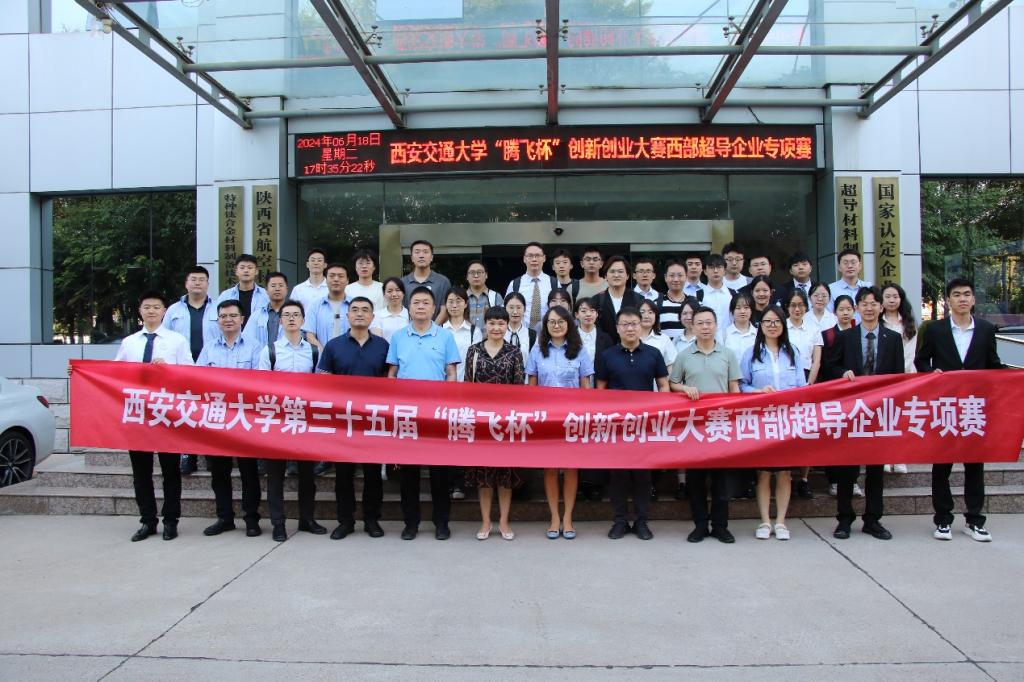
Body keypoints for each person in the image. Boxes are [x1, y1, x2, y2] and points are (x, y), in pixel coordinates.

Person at [915, 277, 1003, 542]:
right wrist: (932, 373)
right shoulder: (935, 329)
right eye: (956, 295)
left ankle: (975, 520)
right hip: (945, 406)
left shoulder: (986, 329)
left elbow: (993, 364)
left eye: (966, 294)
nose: (962, 299)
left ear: (973, 299)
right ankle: (943, 519)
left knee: (975, 465)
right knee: (942, 465)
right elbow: (921, 361)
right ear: (948, 300)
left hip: (974, 408)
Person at [112, 292, 192, 542]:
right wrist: (78, 371)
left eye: (156, 307)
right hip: (138, 415)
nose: (152, 311)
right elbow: (114, 373)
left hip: (166, 414)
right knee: (141, 473)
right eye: (147, 307)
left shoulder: (177, 341)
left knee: (170, 472)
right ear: (140, 311)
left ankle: (171, 521)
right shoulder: (130, 342)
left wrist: (168, 370)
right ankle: (147, 520)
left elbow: (191, 374)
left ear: (164, 311)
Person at [387, 286, 461, 540]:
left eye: (425, 303)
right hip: (407, 414)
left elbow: (451, 373)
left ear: (434, 308)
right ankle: (411, 523)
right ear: (409, 307)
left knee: (440, 474)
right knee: (409, 474)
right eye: (416, 302)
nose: (420, 306)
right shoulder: (399, 337)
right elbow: (392, 374)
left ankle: (442, 523)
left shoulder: (445, 337)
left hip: (437, 414)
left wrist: (448, 406)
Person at [833, 286, 904, 541]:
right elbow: (831, 366)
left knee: (875, 470)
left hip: (879, 413)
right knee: (846, 469)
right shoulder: (846, 337)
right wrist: (843, 373)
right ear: (857, 308)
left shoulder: (893, 339)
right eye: (864, 303)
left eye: (874, 303)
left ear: (881, 307)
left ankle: (873, 520)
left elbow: (898, 376)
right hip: (851, 412)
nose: (869, 308)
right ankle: (844, 519)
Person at [318, 296, 390, 540]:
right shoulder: (333, 346)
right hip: (343, 420)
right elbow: (323, 380)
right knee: (343, 475)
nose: (360, 314)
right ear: (347, 316)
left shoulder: (383, 346)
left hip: (373, 420)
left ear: (372, 317)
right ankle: (345, 521)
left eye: (365, 310)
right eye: (355, 310)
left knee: (373, 475)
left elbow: (390, 381)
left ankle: (372, 520)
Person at [596, 307, 669, 540]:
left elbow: (663, 385)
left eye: (634, 324)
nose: (630, 328)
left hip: (645, 425)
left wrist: (661, 411)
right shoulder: (607, 356)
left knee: (642, 475)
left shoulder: (653, 354)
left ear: (641, 325)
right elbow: (600, 390)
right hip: (617, 426)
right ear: (617, 328)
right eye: (625, 324)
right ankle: (619, 521)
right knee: (618, 475)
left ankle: (641, 521)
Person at [670, 306, 741, 544]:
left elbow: (734, 388)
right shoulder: (684, 355)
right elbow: (672, 384)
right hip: (695, 427)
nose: (704, 327)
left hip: (721, 424)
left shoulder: (727, 354)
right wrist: (685, 388)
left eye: (709, 322)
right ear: (692, 326)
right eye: (700, 323)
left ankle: (720, 526)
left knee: (722, 481)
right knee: (696, 480)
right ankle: (700, 524)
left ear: (716, 325)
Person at [257, 300, 325, 542]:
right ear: (280, 320)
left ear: (303, 320)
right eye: (287, 315)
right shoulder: (270, 351)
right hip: (277, 421)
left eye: (296, 315)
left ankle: (307, 519)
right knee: (276, 475)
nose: (292, 319)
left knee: (307, 475)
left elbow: (321, 385)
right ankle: (278, 523)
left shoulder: (314, 351)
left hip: (305, 420)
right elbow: (261, 387)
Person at [195, 300, 264, 538]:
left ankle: (251, 518)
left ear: (242, 319)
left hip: (245, 418)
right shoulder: (209, 348)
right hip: (217, 418)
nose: (228, 320)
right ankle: (224, 517)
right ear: (218, 321)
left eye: (233, 315)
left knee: (249, 472)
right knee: (219, 472)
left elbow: (260, 382)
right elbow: (198, 379)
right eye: (223, 316)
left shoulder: (255, 347)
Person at [739, 306, 805, 540]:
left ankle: (781, 522)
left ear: (783, 325)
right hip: (762, 419)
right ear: (761, 325)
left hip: (787, 419)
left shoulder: (792, 352)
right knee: (764, 473)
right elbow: (742, 385)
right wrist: (757, 392)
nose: (772, 325)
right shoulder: (751, 353)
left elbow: (802, 386)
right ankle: (765, 521)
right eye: (767, 321)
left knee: (785, 473)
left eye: (777, 321)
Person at [527, 305, 593, 539]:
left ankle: (568, 518)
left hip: (572, 419)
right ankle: (555, 517)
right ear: (545, 325)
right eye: (551, 322)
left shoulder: (579, 350)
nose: (556, 326)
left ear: (569, 325)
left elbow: (586, 387)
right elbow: (531, 388)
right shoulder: (537, 350)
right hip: (546, 419)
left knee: (571, 468)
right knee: (551, 469)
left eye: (561, 322)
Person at [464, 306, 526, 541]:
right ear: (485, 325)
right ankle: (485, 521)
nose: (496, 328)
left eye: (501, 323)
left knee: (505, 475)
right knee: (484, 475)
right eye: (492, 323)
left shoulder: (514, 352)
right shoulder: (474, 351)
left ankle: (504, 521)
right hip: (481, 422)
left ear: (507, 326)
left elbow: (519, 388)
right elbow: (468, 385)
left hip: (506, 423)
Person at [163, 265, 218, 475]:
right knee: (185, 412)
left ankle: (211, 453)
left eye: (201, 279)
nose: (197, 283)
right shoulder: (173, 311)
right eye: (193, 279)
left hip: (210, 370)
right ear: (186, 284)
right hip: (182, 370)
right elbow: (164, 338)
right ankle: (187, 455)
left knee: (209, 412)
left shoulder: (217, 308)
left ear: (207, 284)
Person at [819, 294, 862, 499]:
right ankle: (834, 480)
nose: (845, 313)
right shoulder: (827, 335)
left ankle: (853, 481)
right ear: (834, 312)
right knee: (833, 437)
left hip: (857, 395)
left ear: (854, 311)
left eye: (848, 309)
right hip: (833, 394)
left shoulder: (860, 334)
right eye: (841, 309)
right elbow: (827, 365)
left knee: (854, 439)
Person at [783, 288, 823, 500]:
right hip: (786, 381)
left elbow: (817, 360)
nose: (797, 309)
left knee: (806, 432)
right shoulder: (782, 327)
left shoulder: (813, 328)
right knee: (787, 432)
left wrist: (809, 384)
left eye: (800, 305)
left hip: (808, 381)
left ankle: (805, 478)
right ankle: (787, 476)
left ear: (806, 307)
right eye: (793, 305)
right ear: (787, 307)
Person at [574, 296, 614, 502]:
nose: (587, 314)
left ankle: (597, 484)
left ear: (597, 314)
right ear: (576, 314)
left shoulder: (606, 338)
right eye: (583, 310)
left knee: (597, 437)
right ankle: (580, 484)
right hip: (575, 395)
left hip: (600, 393)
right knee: (578, 437)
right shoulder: (570, 336)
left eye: (591, 310)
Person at [881, 283, 918, 474]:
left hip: (905, 378)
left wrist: (898, 373)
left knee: (902, 419)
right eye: (887, 296)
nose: (891, 300)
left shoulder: (909, 324)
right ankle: (886, 457)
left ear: (901, 299)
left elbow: (910, 354)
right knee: (885, 418)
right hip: (882, 379)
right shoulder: (878, 322)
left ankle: (900, 457)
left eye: (895, 296)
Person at [593, 256, 643, 344]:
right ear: (605, 276)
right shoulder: (596, 300)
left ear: (627, 276)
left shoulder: (638, 299)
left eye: (620, 271)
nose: (616, 275)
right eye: (612, 271)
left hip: (631, 348)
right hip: (605, 349)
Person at [506, 241, 556, 329]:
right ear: (524, 259)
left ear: (544, 258)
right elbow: (507, 309)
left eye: (537, 255)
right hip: (522, 332)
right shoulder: (515, 284)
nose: (534, 259)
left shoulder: (554, 283)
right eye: (530, 256)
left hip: (548, 332)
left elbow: (559, 310)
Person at [401, 239, 452, 322]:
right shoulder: (402, 283)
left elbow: (445, 309)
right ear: (412, 258)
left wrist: (433, 328)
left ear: (431, 257)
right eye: (417, 252)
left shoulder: (443, 282)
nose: (421, 255)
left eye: (425, 252)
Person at [305, 262, 351, 350]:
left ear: (347, 281)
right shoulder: (315, 306)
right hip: (323, 355)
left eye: (340, 276)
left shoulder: (356, 305)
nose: (336, 279)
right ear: (326, 280)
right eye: (332, 276)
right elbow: (310, 335)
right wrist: (324, 353)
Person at [216, 254, 269, 329]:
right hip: (232, 335)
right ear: (236, 271)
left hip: (258, 335)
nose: (246, 270)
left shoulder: (265, 295)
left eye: (250, 267)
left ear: (256, 271)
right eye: (242, 267)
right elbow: (217, 319)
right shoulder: (226, 296)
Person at [242, 270, 289, 349]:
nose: (277, 289)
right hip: (261, 356)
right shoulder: (257, 315)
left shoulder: (295, 314)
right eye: (273, 286)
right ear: (266, 290)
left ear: (287, 289)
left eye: (281, 285)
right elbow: (246, 339)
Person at [442, 287, 478, 383]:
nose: (454, 305)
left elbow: (476, 361)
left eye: (458, 301)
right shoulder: (440, 330)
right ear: (446, 304)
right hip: (443, 383)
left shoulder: (474, 332)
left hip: (467, 383)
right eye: (451, 301)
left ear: (466, 304)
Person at [700, 253, 735, 340]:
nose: (715, 271)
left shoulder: (733, 294)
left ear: (724, 270)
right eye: (711, 267)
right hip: (706, 341)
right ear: (705, 271)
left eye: (719, 267)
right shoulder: (698, 295)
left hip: (730, 341)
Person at [639, 299, 677, 376]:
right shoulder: (630, 337)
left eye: (650, 312)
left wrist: (665, 381)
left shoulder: (664, 339)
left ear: (656, 316)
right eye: (642, 312)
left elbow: (671, 364)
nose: (646, 316)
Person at [290, 248, 328, 315]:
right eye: (313, 260)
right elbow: (292, 311)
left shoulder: (332, 288)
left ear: (325, 265)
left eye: (319, 260)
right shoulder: (298, 289)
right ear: (307, 264)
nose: (316, 263)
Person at [465, 260, 502, 329]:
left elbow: (501, 321)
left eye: (479, 272)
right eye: (472, 272)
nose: (476, 276)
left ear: (486, 275)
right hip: (466, 335)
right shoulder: (462, 298)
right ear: (467, 277)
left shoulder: (495, 297)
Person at [370, 276, 409, 342]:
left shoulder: (411, 315)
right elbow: (377, 341)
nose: (394, 294)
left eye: (397, 290)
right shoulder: (376, 315)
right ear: (384, 294)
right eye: (389, 291)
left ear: (403, 293)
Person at [658, 259, 690, 339]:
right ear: (665, 277)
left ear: (686, 277)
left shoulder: (695, 304)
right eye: (672, 275)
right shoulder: (656, 304)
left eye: (680, 275)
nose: (676, 279)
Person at [503, 291, 535, 368]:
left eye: (519, 307)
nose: (515, 312)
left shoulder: (532, 335)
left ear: (524, 309)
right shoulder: (499, 332)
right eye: (511, 307)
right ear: (505, 309)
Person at [723, 292, 757, 363]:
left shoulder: (758, 333)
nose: (742, 311)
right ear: (732, 311)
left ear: (751, 310)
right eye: (738, 308)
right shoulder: (724, 334)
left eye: (746, 307)